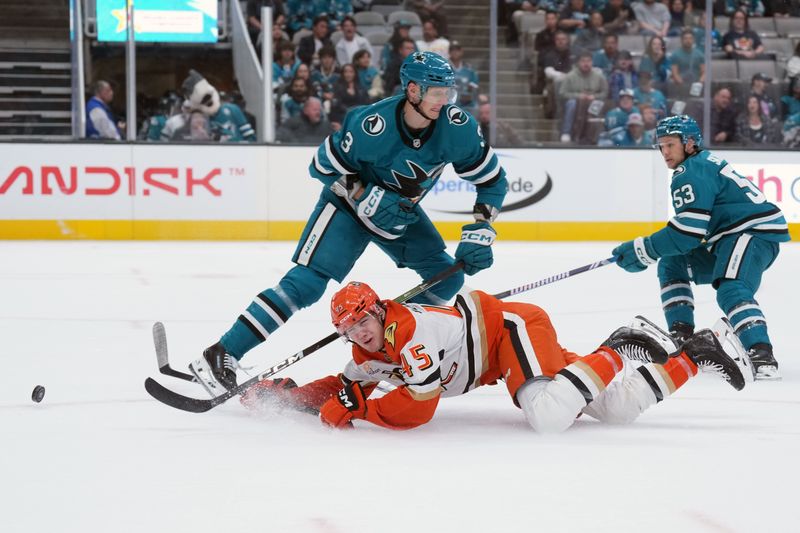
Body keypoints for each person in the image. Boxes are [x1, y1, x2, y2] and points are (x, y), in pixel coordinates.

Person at [189, 52, 508, 392]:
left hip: (398, 216)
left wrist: (482, 227)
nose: (444, 101)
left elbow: (493, 181)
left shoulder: (457, 128)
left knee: (446, 280)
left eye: (448, 93)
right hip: (347, 210)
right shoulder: (371, 124)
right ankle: (222, 352)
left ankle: (392, 352)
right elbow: (321, 166)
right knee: (306, 285)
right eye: (436, 93)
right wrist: (361, 192)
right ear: (413, 90)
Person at [239, 281, 746, 431]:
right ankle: (694, 355)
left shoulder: (409, 332)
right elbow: (345, 385)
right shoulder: (366, 349)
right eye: (349, 330)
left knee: (548, 417)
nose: (360, 334)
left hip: (510, 331)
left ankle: (616, 346)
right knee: (614, 411)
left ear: (377, 310)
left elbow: (419, 407)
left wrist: (358, 411)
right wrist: (288, 399)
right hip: (499, 356)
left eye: (362, 321)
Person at [610, 114, 790, 380]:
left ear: (690, 142)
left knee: (731, 288)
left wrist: (643, 249)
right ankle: (681, 335)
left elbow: (687, 233)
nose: (665, 152)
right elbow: (691, 233)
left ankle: (761, 354)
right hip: (730, 238)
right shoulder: (699, 165)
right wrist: (650, 250)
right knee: (672, 263)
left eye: (670, 144)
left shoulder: (691, 171)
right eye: (661, 145)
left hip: (751, 234)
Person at [181, 70, 256, 142]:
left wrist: (237, 144)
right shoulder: (202, 119)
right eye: (204, 101)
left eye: (209, 97)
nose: (208, 102)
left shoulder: (232, 109)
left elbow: (251, 138)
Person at [559, 50, 609, 143]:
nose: (586, 64)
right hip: (576, 101)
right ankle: (566, 132)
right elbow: (563, 93)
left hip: (592, 100)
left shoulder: (599, 76)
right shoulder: (570, 76)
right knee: (571, 104)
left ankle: (593, 135)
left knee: (597, 104)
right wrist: (578, 96)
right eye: (583, 61)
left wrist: (594, 96)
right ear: (578, 63)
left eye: (588, 61)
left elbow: (605, 93)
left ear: (592, 62)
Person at [449, 41, 479, 113]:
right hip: (450, 102)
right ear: (449, 52)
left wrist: (468, 91)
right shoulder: (445, 67)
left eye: (457, 50)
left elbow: (474, 86)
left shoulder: (469, 69)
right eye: (452, 50)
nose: (455, 52)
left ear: (461, 52)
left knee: (475, 106)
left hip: (466, 104)